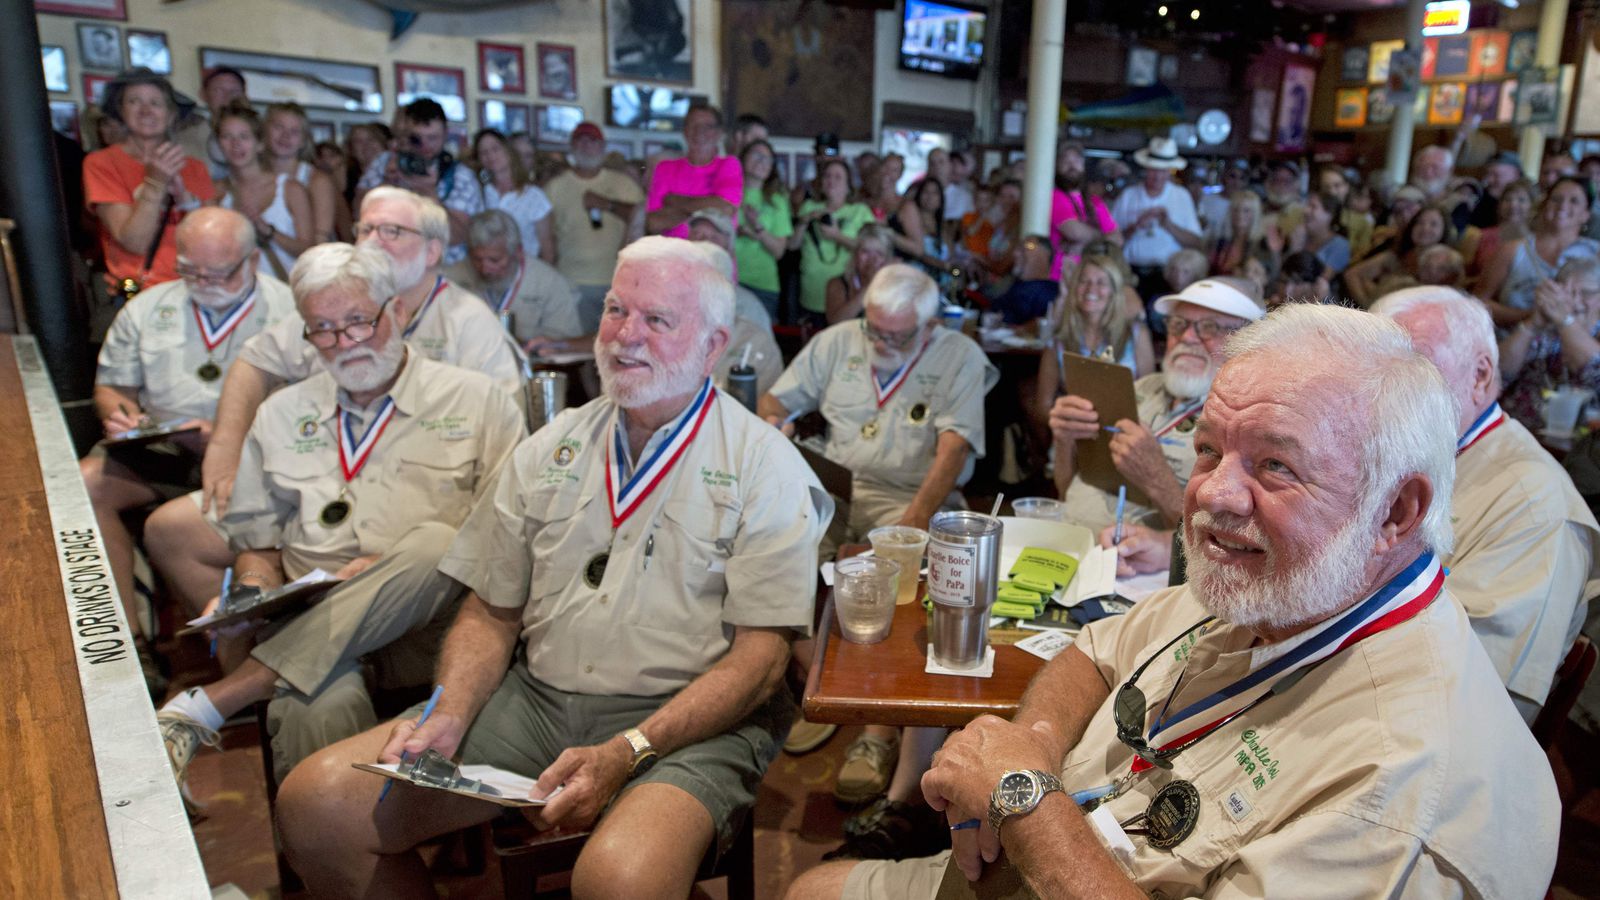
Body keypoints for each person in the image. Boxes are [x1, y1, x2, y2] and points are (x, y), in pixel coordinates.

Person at [788, 303, 1560, 900]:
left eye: (1276, 466)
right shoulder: (1286, 582)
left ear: (1396, 511)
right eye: (1207, 451)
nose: (1211, 495)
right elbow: (1097, 651)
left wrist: (1024, 799)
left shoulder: (1401, 786)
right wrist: (1034, 746)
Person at [276, 236, 831, 898]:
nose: (626, 337)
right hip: (536, 703)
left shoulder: (763, 465)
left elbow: (761, 661)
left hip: (687, 722)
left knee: (620, 880)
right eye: (616, 310)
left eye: (657, 320)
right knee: (316, 805)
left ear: (713, 345)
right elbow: (490, 610)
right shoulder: (552, 446)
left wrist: (629, 750)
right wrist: (447, 713)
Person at [154, 242, 526, 804]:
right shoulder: (282, 413)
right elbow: (257, 545)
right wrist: (252, 593)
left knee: (434, 545)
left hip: (435, 629)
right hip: (313, 623)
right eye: (322, 329)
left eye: (357, 321)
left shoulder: (478, 402)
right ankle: (340, 860)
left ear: (396, 311)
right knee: (312, 708)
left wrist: (388, 572)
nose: (344, 343)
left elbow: (503, 539)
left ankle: (219, 699)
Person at [143, 187, 525, 617]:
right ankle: (249, 646)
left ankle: (256, 674)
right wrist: (226, 448)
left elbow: (502, 456)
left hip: (418, 509)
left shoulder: (469, 325)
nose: (374, 240)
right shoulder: (331, 298)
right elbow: (254, 361)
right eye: (366, 227)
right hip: (316, 483)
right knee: (176, 530)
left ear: (433, 250)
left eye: (393, 230)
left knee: (422, 549)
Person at [761, 263, 996, 810]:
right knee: (775, 562)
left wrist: (913, 520)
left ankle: (878, 733)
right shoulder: (836, 341)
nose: (881, 342)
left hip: (908, 494)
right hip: (834, 484)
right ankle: (818, 689)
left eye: (897, 335)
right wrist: (779, 429)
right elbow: (775, 403)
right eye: (874, 329)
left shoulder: (957, 355)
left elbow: (954, 448)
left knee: (897, 587)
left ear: (929, 326)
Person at [83, 208, 296, 692]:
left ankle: (243, 676)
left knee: (179, 527)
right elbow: (112, 385)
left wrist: (225, 435)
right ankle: (128, 645)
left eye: (217, 272)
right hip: (165, 448)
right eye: (189, 269)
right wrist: (123, 415)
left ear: (253, 259)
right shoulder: (148, 306)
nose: (202, 281)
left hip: (254, 455)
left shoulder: (289, 311)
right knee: (85, 485)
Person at [1372, 287, 1599, 721]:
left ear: (1479, 375)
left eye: (1411, 369)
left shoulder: (1537, 510)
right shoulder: (1402, 451)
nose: (1381, 392)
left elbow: (1478, 701)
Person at [1048, 277, 1263, 532]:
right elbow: (1064, 488)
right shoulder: (1139, 388)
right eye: (1179, 324)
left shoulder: (1246, 422)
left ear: (1246, 341)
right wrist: (1065, 440)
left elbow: (1218, 542)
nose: (1188, 337)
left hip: (1134, 562)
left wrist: (1156, 478)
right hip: (1065, 534)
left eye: (1210, 327)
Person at [84, 68, 216, 296]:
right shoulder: (101, 163)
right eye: (134, 101)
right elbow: (135, 242)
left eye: (156, 103)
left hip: (195, 292)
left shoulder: (195, 168)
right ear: (121, 111)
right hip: (139, 294)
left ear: (171, 114)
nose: (146, 110)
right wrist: (155, 184)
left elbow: (212, 242)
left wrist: (186, 201)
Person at [355, 98, 483, 264]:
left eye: (433, 138)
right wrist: (387, 183)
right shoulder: (385, 163)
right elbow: (358, 212)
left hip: (444, 269)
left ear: (445, 134)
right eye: (417, 139)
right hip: (389, 264)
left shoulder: (460, 176)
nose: (425, 146)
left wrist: (429, 193)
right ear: (405, 134)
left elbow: (457, 236)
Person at [544, 121, 645, 332]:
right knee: (574, 347)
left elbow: (643, 218)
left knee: (612, 348)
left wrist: (608, 204)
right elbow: (547, 236)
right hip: (570, 281)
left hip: (616, 280)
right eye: (580, 140)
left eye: (593, 141)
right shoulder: (555, 187)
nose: (587, 146)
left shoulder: (623, 184)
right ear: (572, 146)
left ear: (603, 146)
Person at [447, 209, 586, 355]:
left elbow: (565, 342)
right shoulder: (451, 277)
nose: (485, 269)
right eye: (477, 259)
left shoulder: (549, 282)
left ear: (518, 252)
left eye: (495, 260)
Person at [1476, 176, 1599, 328]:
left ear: (1586, 214)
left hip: (1573, 347)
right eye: (1556, 199)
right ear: (1545, 205)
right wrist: (1530, 316)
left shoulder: (1596, 254)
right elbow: (1478, 303)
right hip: (1511, 342)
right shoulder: (1512, 250)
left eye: (1574, 201)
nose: (1563, 206)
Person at [1499, 256, 1600, 433]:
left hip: (1580, 448)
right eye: (1565, 292)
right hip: (1518, 432)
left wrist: (1564, 320)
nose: (1574, 301)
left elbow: (1595, 371)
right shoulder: (1544, 330)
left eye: (1585, 293)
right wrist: (1532, 324)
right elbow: (1498, 374)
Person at [213, 102, 313, 280]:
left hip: (283, 293)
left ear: (260, 144)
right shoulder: (217, 192)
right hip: (235, 293)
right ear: (219, 144)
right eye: (227, 137)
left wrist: (269, 232)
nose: (236, 144)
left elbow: (309, 250)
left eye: (244, 137)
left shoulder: (290, 189)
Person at [1038, 254, 1154, 391]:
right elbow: (1043, 406)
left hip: (1127, 413)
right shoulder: (1058, 341)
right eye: (1084, 281)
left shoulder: (1136, 334)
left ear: (1113, 291)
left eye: (1101, 283)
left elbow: (1150, 395)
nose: (1091, 289)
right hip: (1073, 412)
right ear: (1075, 287)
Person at [1113, 138, 1204, 312]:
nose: (1157, 176)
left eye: (1162, 170)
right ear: (1146, 169)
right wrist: (1136, 226)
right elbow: (1112, 241)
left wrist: (1168, 225)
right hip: (1130, 273)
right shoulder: (1128, 195)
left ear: (1169, 171)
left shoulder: (1181, 196)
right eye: (1153, 169)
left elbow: (1196, 243)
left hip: (1169, 277)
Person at [794, 158, 876, 325]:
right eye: (827, 176)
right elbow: (793, 245)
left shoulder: (860, 211)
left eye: (838, 177)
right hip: (811, 291)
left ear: (848, 185)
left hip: (845, 293)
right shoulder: (809, 206)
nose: (831, 181)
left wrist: (837, 235)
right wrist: (804, 221)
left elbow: (872, 250)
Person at [646, 104, 742, 238]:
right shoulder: (665, 168)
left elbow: (725, 209)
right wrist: (707, 208)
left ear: (719, 133)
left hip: (713, 254)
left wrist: (674, 201)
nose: (698, 131)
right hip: (672, 254)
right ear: (684, 130)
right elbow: (653, 222)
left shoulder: (729, 165)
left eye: (707, 126)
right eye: (692, 125)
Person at [1344, 202, 1455, 307]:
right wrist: (1370, 307)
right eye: (1419, 222)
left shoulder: (1449, 264)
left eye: (1433, 224)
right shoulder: (1395, 256)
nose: (1425, 228)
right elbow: (1352, 275)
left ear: (1444, 231)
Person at [473, 129, 555, 264]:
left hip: (525, 274)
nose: (490, 155)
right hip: (486, 273)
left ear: (508, 151)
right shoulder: (479, 192)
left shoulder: (534, 196)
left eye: (495, 149)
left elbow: (548, 249)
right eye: (484, 152)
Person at [264, 103, 342, 245]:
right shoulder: (252, 175)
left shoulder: (317, 181)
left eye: (294, 131)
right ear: (265, 131)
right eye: (278, 127)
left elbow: (321, 241)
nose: (285, 136)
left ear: (303, 140)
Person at [733, 138, 792, 320]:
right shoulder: (728, 191)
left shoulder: (777, 200)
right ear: (743, 159)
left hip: (763, 284)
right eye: (757, 155)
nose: (762, 162)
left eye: (768, 159)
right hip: (727, 278)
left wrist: (757, 227)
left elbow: (779, 251)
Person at [825, 224, 895, 324]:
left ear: (887, 259)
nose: (872, 260)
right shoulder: (837, 284)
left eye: (879, 253)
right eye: (865, 251)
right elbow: (835, 322)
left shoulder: (896, 285)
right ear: (855, 254)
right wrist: (870, 286)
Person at [1469, 178, 1534, 278]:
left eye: (1521, 200)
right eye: (1508, 199)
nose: (1513, 205)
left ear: (1532, 206)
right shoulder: (1481, 236)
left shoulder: (1538, 239)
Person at [888, 178, 949, 276]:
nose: (930, 197)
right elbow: (918, 253)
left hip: (943, 282)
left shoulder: (944, 227)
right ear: (919, 195)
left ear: (941, 198)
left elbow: (952, 258)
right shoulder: (909, 218)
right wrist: (944, 266)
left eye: (935, 193)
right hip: (913, 276)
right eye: (926, 192)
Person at [992, 234, 1057, 326]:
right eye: (1018, 248)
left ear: (1044, 255)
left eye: (1027, 247)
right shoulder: (1013, 285)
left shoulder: (1051, 292)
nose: (1015, 253)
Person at [1290, 191, 1351, 276]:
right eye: (1307, 206)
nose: (1305, 211)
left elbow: (1320, 280)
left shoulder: (1340, 246)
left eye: (1313, 207)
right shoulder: (1302, 236)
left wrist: (1297, 251)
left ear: (1330, 215)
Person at [1470, 150, 1525, 229]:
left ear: (1516, 175)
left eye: (1497, 175)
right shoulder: (1478, 199)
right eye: (1487, 174)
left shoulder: (1528, 205)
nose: (1489, 180)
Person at [1267, 250, 1332, 307]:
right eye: (1283, 282)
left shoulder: (1321, 289)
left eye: (1297, 282)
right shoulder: (1276, 300)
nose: (1287, 290)